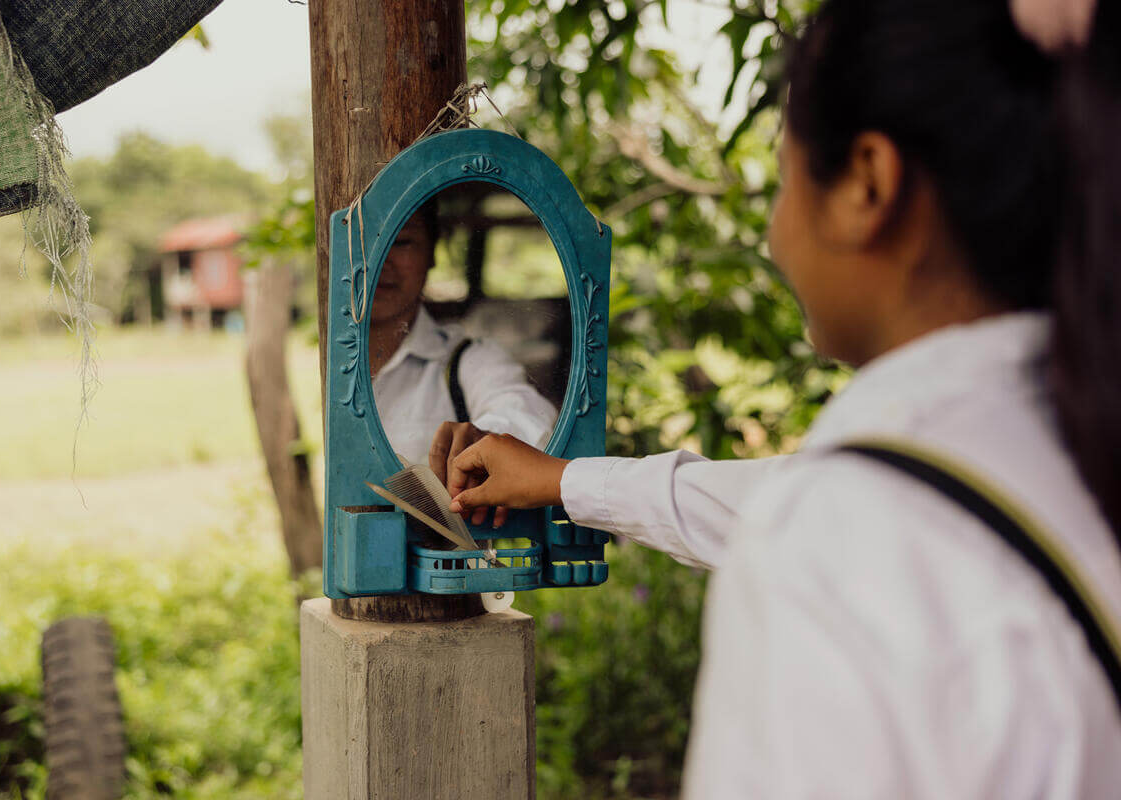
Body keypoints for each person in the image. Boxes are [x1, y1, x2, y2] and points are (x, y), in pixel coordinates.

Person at [440, 0, 1121, 796]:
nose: (772, 232)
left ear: (868, 181)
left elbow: (825, 518)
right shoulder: (1065, 439)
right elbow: (777, 498)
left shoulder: (838, 540)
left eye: (787, 175)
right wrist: (563, 482)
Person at [368, 200, 557, 468]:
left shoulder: (467, 359)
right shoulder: (321, 363)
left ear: (432, 252)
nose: (380, 261)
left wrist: (485, 441)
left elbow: (524, 413)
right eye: (363, 243)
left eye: (402, 241)